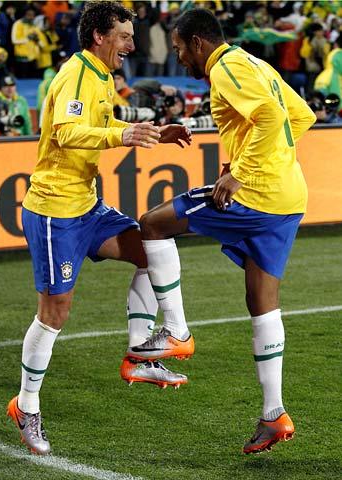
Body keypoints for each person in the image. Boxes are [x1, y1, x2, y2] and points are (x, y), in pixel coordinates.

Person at [127, 8, 316, 455]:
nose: (179, 60)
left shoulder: (227, 68)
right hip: (288, 198)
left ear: (197, 43)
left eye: (178, 50)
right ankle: (273, 414)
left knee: (152, 223)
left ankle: (175, 332)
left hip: (256, 195)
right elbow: (302, 116)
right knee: (262, 300)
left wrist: (241, 173)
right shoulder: (255, 63)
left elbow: (272, 118)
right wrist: (261, 163)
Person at [6, 1, 191, 456]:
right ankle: (26, 406)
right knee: (55, 312)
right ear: (99, 37)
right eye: (124, 36)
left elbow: (100, 123)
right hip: (54, 211)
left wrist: (146, 129)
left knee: (152, 250)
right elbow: (68, 131)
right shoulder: (74, 75)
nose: (131, 43)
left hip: (87, 204)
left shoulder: (102, 76)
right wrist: (120, 136)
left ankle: (139, 354)